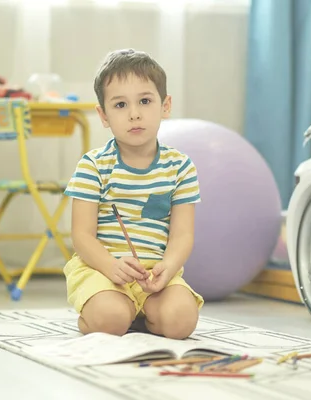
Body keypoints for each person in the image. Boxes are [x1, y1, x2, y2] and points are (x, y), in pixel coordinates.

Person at [63, 49, 203, 340]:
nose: (135, 113)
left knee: (182, 321)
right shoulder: (93, 166)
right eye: (120, 104)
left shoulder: (181, 167)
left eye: (145, 101)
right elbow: (82, 236)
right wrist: (110, 266)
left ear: (165, 106)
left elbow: (182, 236)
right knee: (109, 319)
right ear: (103, 115)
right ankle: (111, 314)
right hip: (102, 270)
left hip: (155, 274)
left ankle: (140, 314)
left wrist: (169, 266)